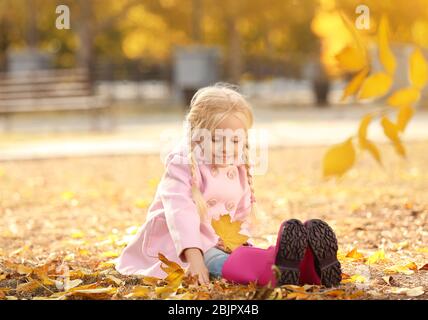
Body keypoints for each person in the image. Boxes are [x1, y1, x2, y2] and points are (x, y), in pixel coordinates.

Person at [115, 83, 341, 287]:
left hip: (220, 241)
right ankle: (274, 271)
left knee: (242, 254)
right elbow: (179, 214)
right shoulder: (183, 163)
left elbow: (241, 213)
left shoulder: (237, 165)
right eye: (216, 139)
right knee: (219, 261)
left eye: (234, 140)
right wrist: (194, 257)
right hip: (181, 245)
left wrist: (239, 242)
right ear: (196, 135)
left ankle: (308, 267)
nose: (226, 148)